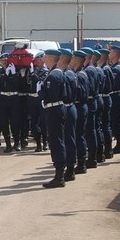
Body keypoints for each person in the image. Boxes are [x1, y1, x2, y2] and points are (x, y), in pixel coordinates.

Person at [39, 49, 67, 188]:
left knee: (56, 142)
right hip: (56, 108)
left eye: (45, 57)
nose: (43, 59)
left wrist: (40, 91)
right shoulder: (57, 73)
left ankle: (59, 176)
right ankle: (59, 174)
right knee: (57, 141)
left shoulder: (53, 76)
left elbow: (51, 95)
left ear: (50, 58)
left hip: (54, 109)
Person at [58, 48, 77, 181]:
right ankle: (69, 167)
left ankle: (70, 169)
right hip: (70, 107)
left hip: (68, 108)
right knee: (69, 138)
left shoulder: (66, 75)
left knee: (69, 139)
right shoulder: (69, 73)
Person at [70, 50, 90, 175]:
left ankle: (81, 163)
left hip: (79, 106)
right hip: (79, 106)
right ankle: (80, 161)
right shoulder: (78, 73)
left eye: (72, 59)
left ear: (77, 60)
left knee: (79, 136)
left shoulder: (80, 75)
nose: (70, 61)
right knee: (78, 135)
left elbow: (80, 94)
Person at [0, 55, 21, 153]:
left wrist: (14, 73)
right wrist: (5, 75)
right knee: (4, 121)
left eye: (6, 60)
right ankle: (8, 144)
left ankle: (17, 142)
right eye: (2, 60)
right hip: (3, 98)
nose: (4, 62)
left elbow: (18, 85)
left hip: (14, 98)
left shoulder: (14, 70)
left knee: (15, 121)